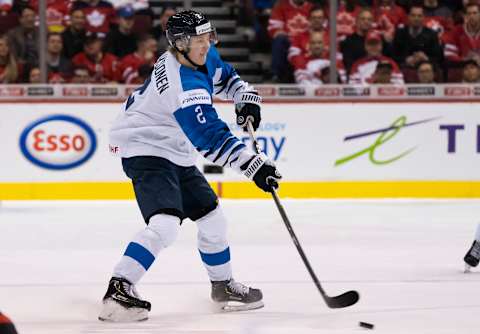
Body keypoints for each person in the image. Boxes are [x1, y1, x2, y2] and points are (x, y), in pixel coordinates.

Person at [99, 10, 282, 322]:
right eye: (200, 40)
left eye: (208, 37)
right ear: (180, 44)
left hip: (173, 149)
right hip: (144, 146)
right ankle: (119, 288)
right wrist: (254, 165)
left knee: (213, 220)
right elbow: (209, 137)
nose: (207, 44)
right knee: (165, 224)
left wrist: (245, 97)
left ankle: (222, 286)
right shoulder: (181, 85)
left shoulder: (198, 57)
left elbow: (225, 77)